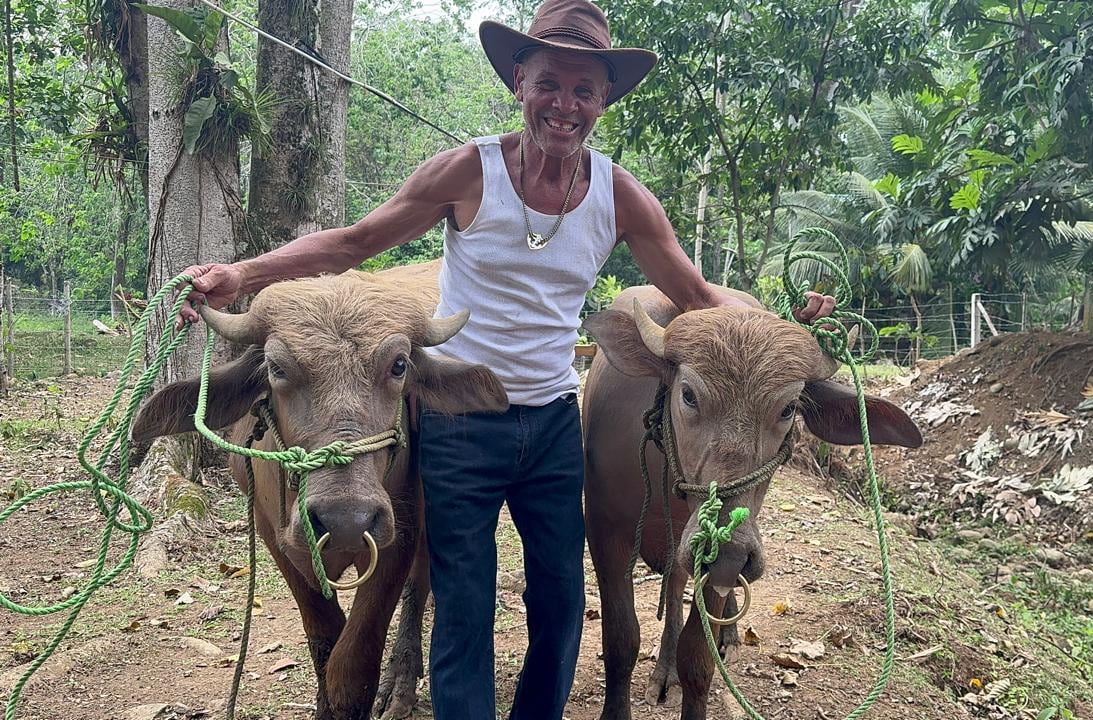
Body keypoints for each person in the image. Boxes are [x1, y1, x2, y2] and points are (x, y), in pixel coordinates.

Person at [178, 1, 834, 717]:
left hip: (553, 422)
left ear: (603, 102)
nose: (565, 105)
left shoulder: (620, 196)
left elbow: (697, 294)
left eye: (585, 91)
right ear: (519, 81)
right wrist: (243, 275)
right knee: (462, 597)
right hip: (463, 417)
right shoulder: (467, 173)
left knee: (558, 599)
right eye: (550, 83)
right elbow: (352, 243)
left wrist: (780, 325)